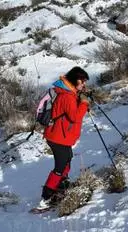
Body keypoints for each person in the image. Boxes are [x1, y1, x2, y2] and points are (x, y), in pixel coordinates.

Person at [37, 66, 90, 209]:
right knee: (59, 166)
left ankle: (61, 185)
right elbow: (74, 117)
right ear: (75, 80)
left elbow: (70, 113)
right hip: (57, 137)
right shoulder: (67, 96)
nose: (84, 85)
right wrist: (84, 103)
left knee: (68, 158)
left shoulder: (69, 93)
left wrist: (82, 100)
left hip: (61, 135)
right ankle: (46, 198)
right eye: (82, 81)